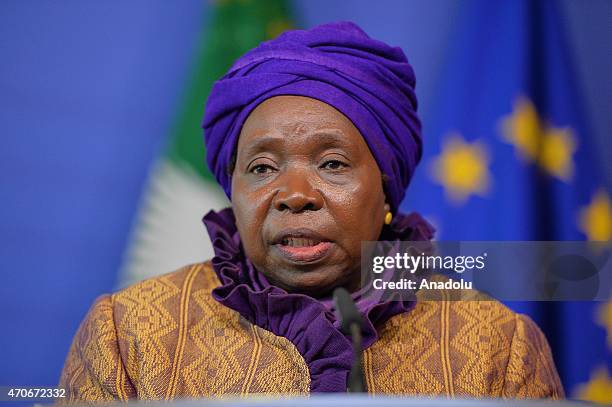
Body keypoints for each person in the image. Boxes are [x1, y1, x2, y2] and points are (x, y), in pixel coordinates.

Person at [58, 22, 564, 403]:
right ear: (231, 188)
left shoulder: (500, 344)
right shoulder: (130, 332)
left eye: (332, 163)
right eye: (261, 167)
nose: (294, 194)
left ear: (386, 191)